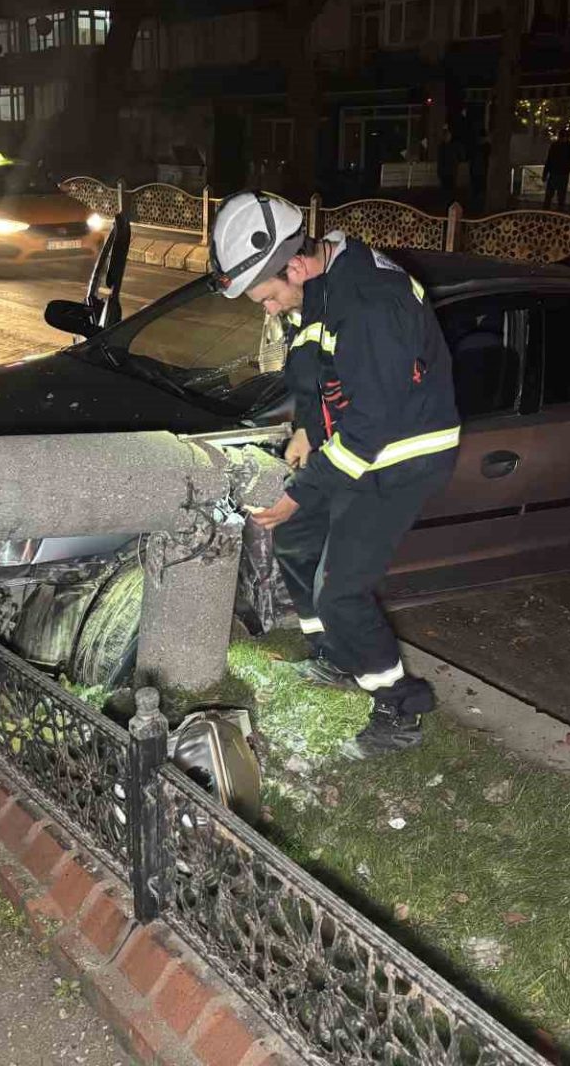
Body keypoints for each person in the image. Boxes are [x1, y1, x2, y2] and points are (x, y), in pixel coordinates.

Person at [210, 192, 461, 758]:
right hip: (357, 445)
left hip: (400, 457)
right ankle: (337, 657)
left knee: (341, 590)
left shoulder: (372, 303)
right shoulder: (324, 285)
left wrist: (300, 493)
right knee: (297, 541)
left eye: (268, 297)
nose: (269, 311)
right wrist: (304, 428)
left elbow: (370, 428)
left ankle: (399, 708)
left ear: (295, 265)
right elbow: (315, 368)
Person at [543, 126, 570, 210]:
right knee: (557, 196)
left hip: (558, 173)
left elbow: (549, 161)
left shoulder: (559, 146)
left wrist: (545, 173)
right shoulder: (566, 146)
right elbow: (549, 160)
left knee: (554, 196)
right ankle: (556, 211)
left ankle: (550, 211)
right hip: (559, 173)